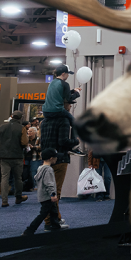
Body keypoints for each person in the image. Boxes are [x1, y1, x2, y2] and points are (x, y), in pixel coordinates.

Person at [41, 64, 82, 222]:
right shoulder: (64, 120)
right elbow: (63, 141)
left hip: (46, 159)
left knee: (46, 190)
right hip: (59, 158)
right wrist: (74, 142)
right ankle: (51, 219)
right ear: (64, 74)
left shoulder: (44, 122)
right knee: (55, 191)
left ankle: (51, 217)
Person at [22, 148, 68, 235]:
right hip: (48, 196)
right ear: (51, 158)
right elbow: (49, 183)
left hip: (42, 195)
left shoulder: (40, 168)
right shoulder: (49, 170)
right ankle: (30, 230)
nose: (57, 159)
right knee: (43, 214)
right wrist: (53, 194)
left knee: (53, 211)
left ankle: (55, 226)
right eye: (55, 157)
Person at [0, 110, 28, 206]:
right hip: (17, 156)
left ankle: (4, 201)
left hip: (4, 157)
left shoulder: (1, 127)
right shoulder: (21, 128)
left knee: (4, 178)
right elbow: (24, 142)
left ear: (11, 116)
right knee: (17, 178)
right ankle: (18, 197)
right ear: (21, 118)